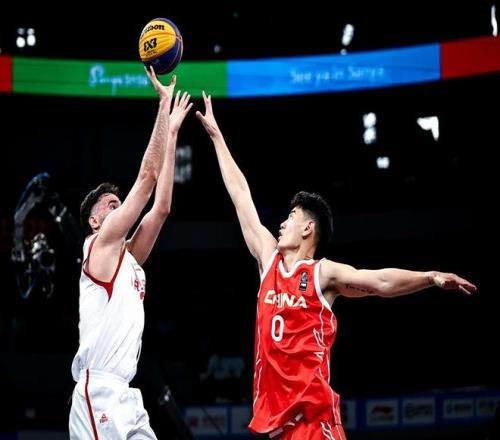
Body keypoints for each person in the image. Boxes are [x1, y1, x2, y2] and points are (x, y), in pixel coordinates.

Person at [196, 92, 477, 440]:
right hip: (277, 426)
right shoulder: (268, 261)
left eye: (290, 217)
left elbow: (379, 281)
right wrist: (217, 137)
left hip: (314, 422)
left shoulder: (322, 273)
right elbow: (241, 195)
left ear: (308, 229)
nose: (281, 224)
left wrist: (430, 277)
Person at [69, 68, 192, 439]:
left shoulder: (130, 259)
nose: (118, 205)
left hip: (125, 393)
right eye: (109, 203)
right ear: (94, 221)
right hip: (98, 391)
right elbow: (147, 178)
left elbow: (162, 207)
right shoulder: (99, 245)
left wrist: (172, 134)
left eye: (118, 202)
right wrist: (163, 104)